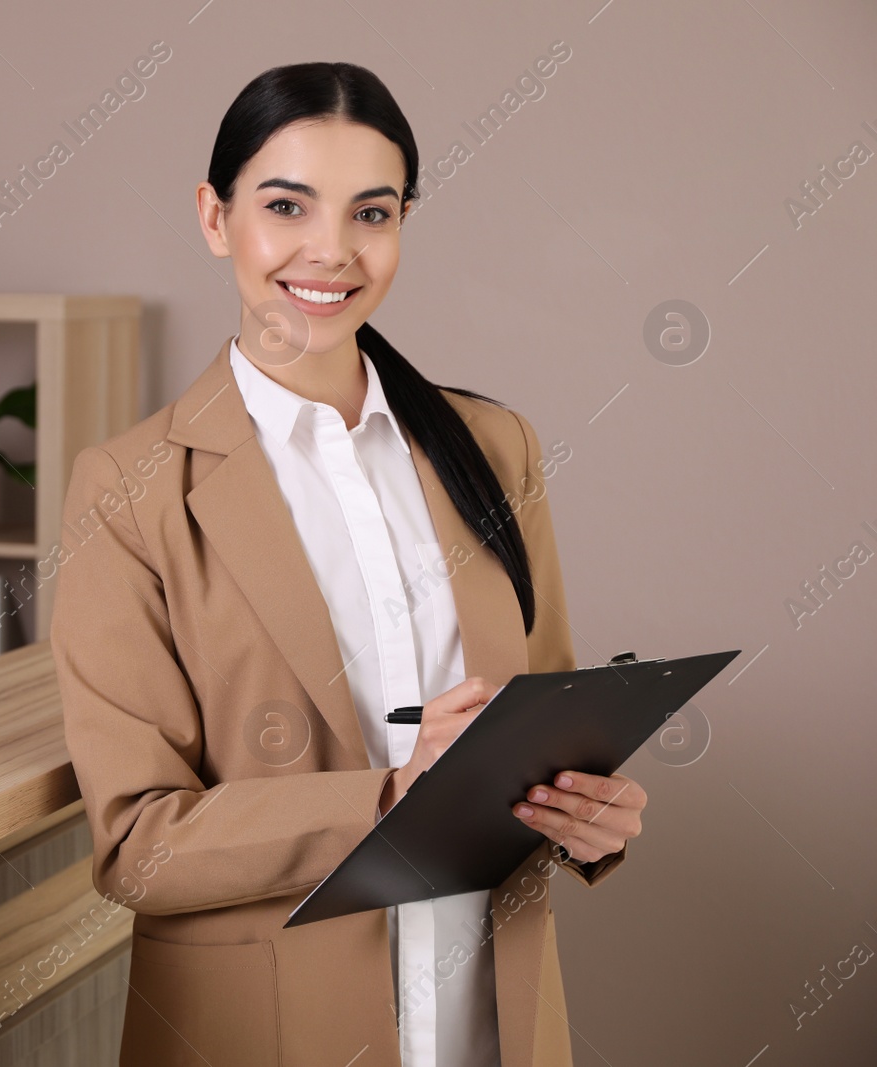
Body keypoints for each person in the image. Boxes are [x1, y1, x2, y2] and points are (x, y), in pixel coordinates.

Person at [48, 61, 647, 1067]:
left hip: (489, 1011)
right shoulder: (127, 490)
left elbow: (546, 723)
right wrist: (383, 799)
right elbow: (137, 844)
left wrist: (590, 817)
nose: (330, 250)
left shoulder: (496, 447)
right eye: (286, 205)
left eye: (371, 212)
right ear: (213, 214)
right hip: (268, 1025)